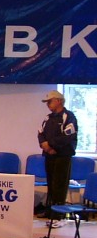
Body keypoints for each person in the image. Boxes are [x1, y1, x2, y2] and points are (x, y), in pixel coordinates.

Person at [38, 90, 78, 222]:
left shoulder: (69, 116)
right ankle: (49, 210)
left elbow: (68, 136)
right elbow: (40, 132)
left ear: (59, 101)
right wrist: (44, 145)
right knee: (50, 183)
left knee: (59, 184)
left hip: (62, 156)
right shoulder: (48, 118)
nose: (47, 104)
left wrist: (51, 146)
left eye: (50, 101)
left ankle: (58, 213)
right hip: (49, 155)